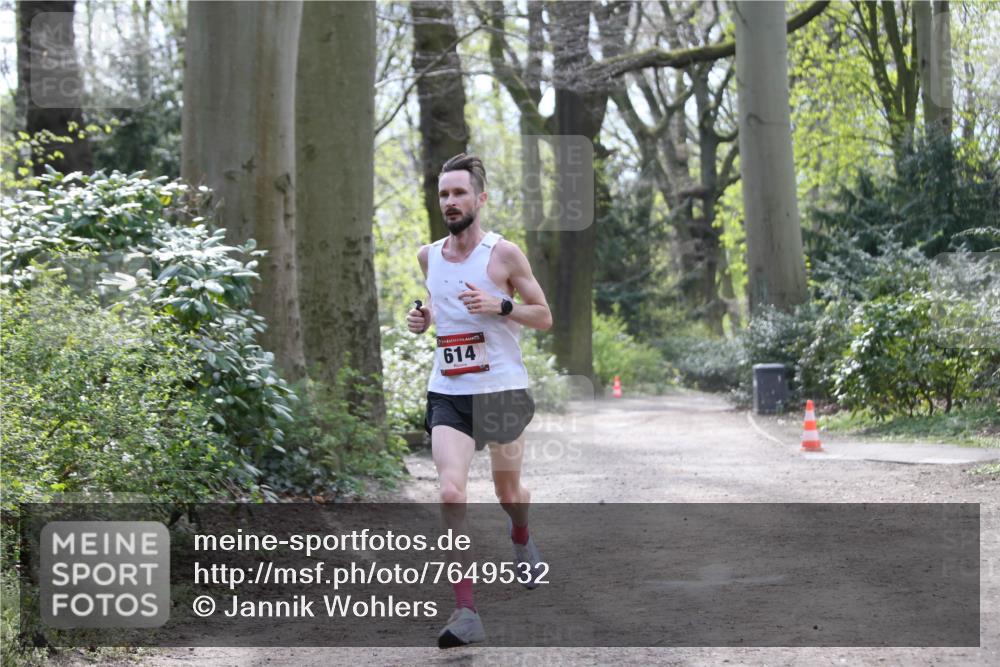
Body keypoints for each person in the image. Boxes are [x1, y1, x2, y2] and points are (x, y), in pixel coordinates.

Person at [406, 153, 553, 648]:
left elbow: (543, 315)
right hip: (449, 392)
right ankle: (465, 611)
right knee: (450, 493)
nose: (450, 202)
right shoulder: (428, 256)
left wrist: (502, 305)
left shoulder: (503, 255)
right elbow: (440, 306)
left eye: (459, 193)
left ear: (480, 199)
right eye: (444, 194)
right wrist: (425, 318)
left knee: (509, 495)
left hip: (502, 392)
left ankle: (521, 537)